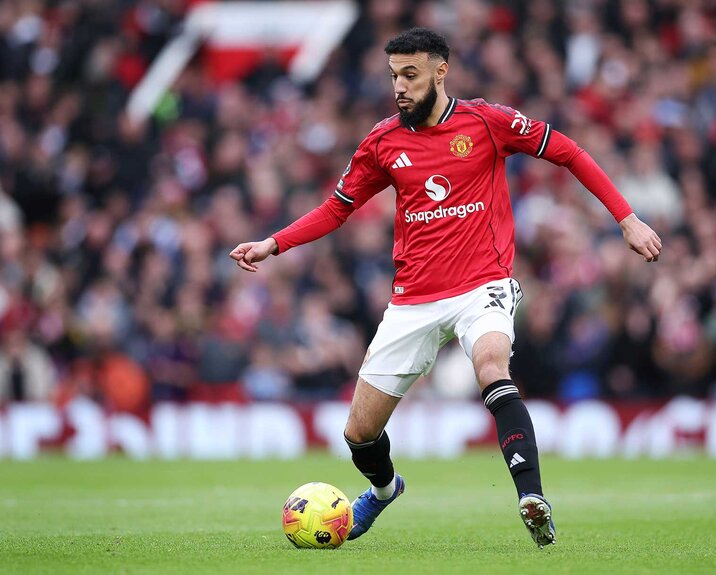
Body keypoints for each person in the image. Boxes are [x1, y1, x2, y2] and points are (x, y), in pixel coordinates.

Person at [230, 28, 662, 548]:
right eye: (393, 76)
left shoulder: (487, 121)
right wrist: (272, 243)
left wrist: (627, 218)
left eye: (410, 75)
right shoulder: (383, 142)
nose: (400, 87)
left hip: (484, 283)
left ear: (440, 71)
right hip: (413, 299)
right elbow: (336, 209)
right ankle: (386, 490)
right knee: (359, 434)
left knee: (491, 367)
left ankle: (532, 497)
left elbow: (568, 152)